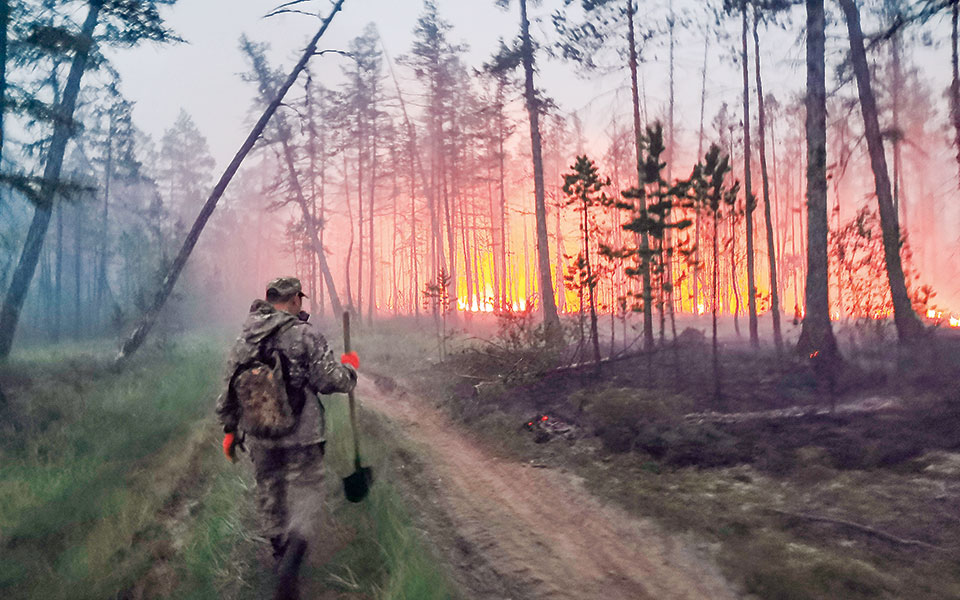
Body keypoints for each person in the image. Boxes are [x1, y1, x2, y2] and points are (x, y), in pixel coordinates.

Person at [215, 276, 359, 600]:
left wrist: (229, 431)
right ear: (294, 299)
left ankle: (281, 560)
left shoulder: (244, 339)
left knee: (270, 494)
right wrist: (350, 371)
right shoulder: (303, 335)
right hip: (303, 435)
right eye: (300, 300)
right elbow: (328, 379)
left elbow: (227, 390)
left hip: (260, 436)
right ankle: (291, 565)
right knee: (306, 494)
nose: (301, 306)